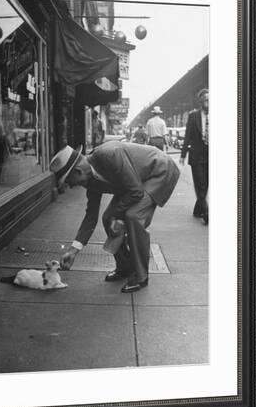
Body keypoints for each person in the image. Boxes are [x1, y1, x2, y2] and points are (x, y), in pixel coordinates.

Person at [49, 141, 180, 293]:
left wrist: (117, 216)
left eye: (69, 182)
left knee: (133, 216)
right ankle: (125, 267)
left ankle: (141, 275)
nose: (71, 186)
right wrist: (73, 250)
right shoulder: (90, 181)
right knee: (107, 218)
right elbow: (91, 217)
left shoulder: (110, 155)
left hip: (159, 171)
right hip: (134, 182)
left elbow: (136, 191)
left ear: (78, 172)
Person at [180, 88, 209, 225]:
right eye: (206, 100)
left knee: (206, 184)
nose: (208, 103)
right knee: (200, 184)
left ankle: (198, 210)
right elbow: (188, 136)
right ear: (201, 101)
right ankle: (206, 212)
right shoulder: (193, 116)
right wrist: (183, 154)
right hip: (197, 154)